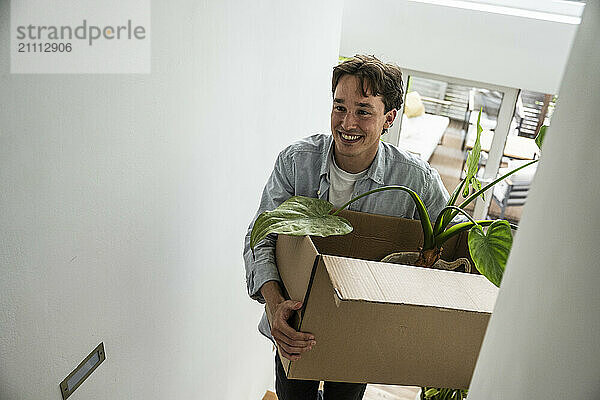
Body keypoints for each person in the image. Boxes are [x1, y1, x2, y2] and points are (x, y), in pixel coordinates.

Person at [243, 55, 450, 400]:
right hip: (294, 324)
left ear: (389, 118)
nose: (347, 122)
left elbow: (449, 237)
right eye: (339, 107)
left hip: (362, 330)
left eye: (363, 111)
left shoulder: (416, 180)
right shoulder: (296, 162)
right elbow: (260, 236)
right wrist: (274, 304)